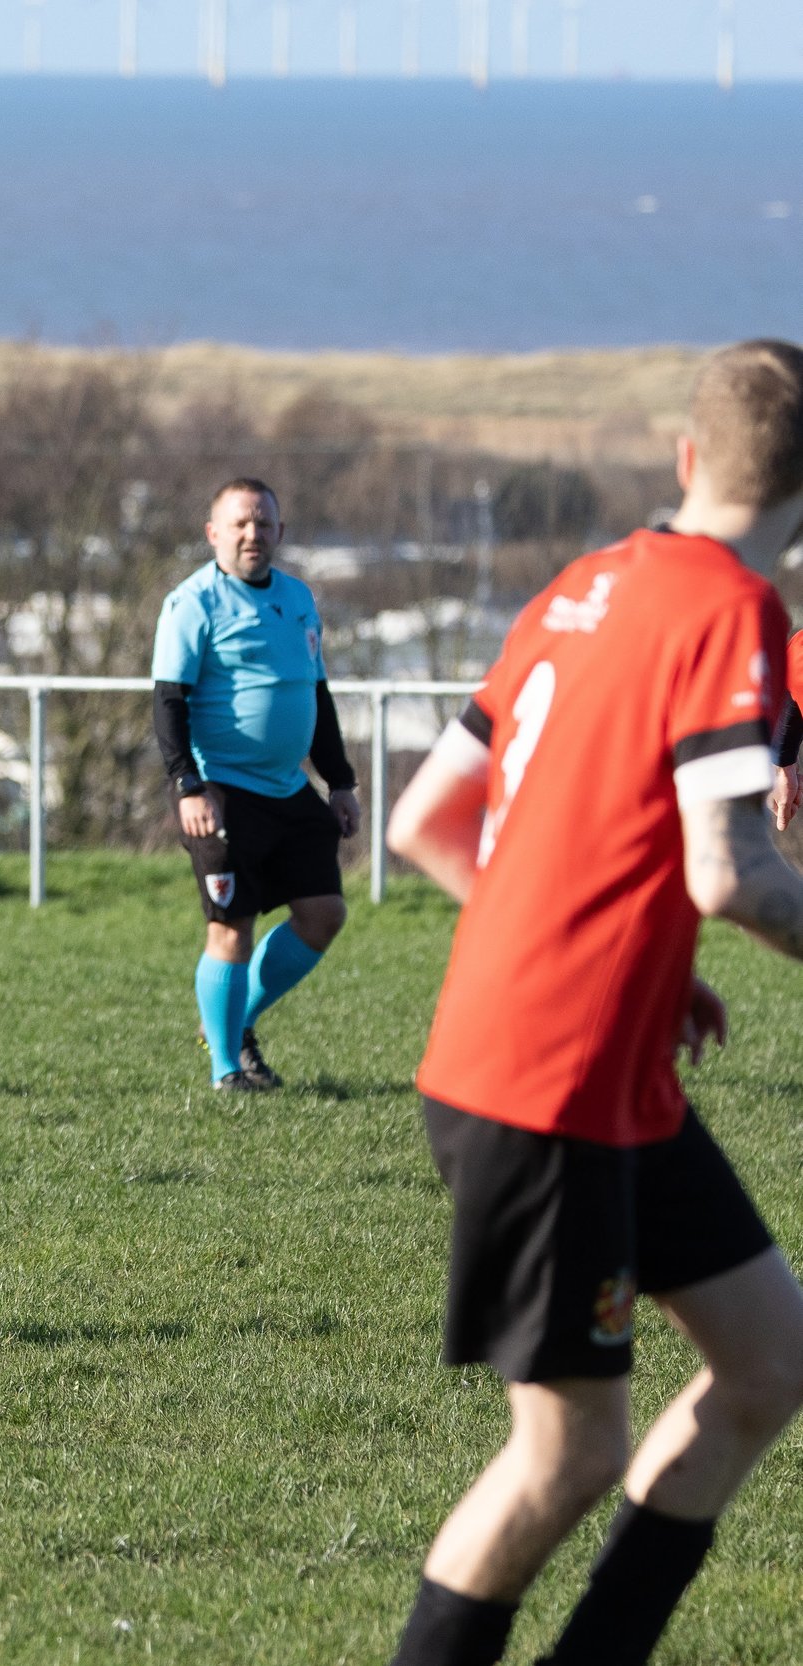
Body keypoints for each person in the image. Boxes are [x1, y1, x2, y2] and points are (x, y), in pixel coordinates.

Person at [382, 339, 803, 1666]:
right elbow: (729, 865)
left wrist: (632, 955)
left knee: (772, 1361)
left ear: (686, 460)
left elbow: (425, 819)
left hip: (609, 1078)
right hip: (544, 1087)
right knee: (565, 1455)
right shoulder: (738, 609)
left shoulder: (583, 585)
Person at [151, 479, 359, 1092]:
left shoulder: (297, 598)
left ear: (280, 533)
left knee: (323, 915)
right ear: (213, 532)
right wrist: (188, 784)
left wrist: (340, 782)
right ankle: (225, 1068)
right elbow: (167, 702)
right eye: (239, 523)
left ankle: (231, 1022)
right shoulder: (192, 602)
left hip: (287, 788)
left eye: (264, 523)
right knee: (231, 929)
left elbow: (315, 696)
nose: (252, 534)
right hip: (220, 790)